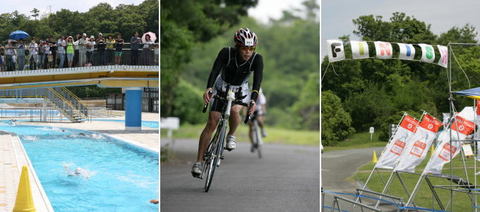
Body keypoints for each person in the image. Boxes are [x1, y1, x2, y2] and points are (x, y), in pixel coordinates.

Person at [191, 28, 263, 178]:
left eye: (251, 48)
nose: (247, 52)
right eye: (244, 48)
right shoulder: (226, 53)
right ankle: (198, 162)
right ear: (237, 46)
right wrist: (209, 88)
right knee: (212, 122)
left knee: (235, 110)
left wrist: (253, 101)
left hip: (240, 89)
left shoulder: (257, 59)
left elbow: (257, 83)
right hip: (221, 85)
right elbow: (215, 70)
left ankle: (231, 135)